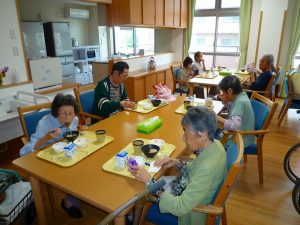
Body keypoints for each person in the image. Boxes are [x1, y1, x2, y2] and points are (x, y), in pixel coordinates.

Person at [129, 107, 227, 225]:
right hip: (185, 189)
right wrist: (178, 163)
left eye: (186, 131)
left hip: (187, 215)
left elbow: (180, 207)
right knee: (149, 183)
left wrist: (150, 182)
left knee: (140, 197)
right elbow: (197, 169)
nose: (183, 137)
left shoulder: (208, 167)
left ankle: (133, 218)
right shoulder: (214, 144)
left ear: (202, 135)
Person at [19, 93, 87, 219]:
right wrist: (46, 138)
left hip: (66, 155)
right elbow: (24, 152)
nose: (68, 117)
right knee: (78, 170)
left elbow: (71, 129)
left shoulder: (74, 119)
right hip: (47, 161)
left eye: (71, 113)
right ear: (56, 112)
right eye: (63, 114)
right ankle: (69, 201)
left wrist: (79, 127)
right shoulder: (45, 123)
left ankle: (75, 196)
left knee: (86, 164)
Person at [217, 76, 255, 148]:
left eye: (223, 92)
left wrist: (217, 117)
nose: (223, 95)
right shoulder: (242, 96)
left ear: (230, 91)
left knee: (209, 137)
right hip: (244, 135)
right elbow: (235, 113)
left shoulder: (239, 102)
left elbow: (234, 126)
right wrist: (227, 103)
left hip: (240, 139)